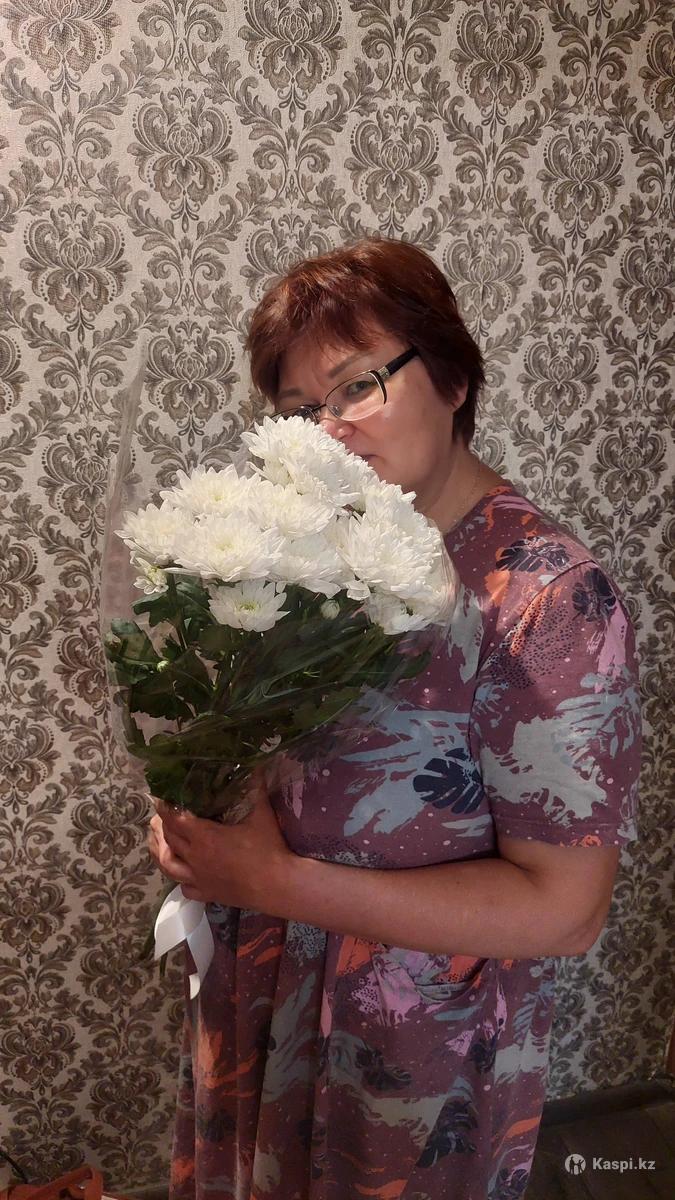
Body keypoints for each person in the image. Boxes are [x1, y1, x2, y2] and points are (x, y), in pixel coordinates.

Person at [148, 236, 641, 1200]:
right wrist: (202, 806)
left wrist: (275, 879)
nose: (328, 432)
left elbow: (564, 911)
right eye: (300, 409)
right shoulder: (316, 549)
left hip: (411, 1046)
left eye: (357, 386)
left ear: (452, 378)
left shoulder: (545, 601)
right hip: (266, 984)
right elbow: (270, 737)